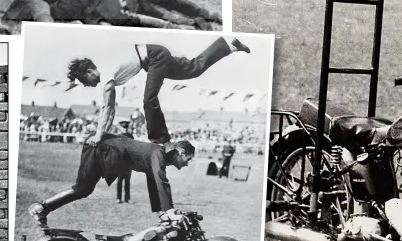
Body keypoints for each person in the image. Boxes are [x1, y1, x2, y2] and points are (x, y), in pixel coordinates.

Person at [65, 35, 250, 145]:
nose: (88, 85)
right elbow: (106, 103)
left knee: (148, 100)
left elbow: (108, 108)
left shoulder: (105, 78)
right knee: (194, 69)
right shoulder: (101, 71)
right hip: (154, 55)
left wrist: (99, 135)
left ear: (90, 71)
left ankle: (160, 141)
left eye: (85, 81)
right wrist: (76, 81)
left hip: (155, 57)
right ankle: (228, 45)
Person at [28, 136, 195, 229]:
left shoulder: (161, 156)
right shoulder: (159, 152)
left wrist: (162, 213)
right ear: (180, 152)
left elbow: (153, 183)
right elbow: (160, 179)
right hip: (100, 150)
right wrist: (169, 210)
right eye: (188, 159)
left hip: (105, 152)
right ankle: (41, 207)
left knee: (84, 190)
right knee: (82, 189)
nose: (187, 163)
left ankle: (42, 208)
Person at [116, 121, 134, 203]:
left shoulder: (131, 136)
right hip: (120, 162)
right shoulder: (118, 137)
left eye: (126, 128)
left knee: (127, 181)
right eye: (124, 128)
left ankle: (127, 198)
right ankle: (119, 198)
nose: (125, 129)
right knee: (120, 181)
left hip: (128, 162)